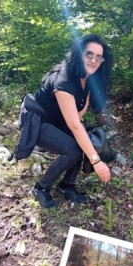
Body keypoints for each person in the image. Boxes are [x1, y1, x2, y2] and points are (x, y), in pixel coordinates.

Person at [15, 34, 113, 208]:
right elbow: (74, 125)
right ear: (78, 54)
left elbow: (78, 115)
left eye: (99, 57)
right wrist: (96, 161)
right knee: (73, 149)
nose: (93, 60)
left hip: (56, 120)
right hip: (38, 120)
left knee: (83, 141)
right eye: (89, 54)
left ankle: (66, 185)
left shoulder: (87, 79)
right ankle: (40, 188)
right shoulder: (65, 79)